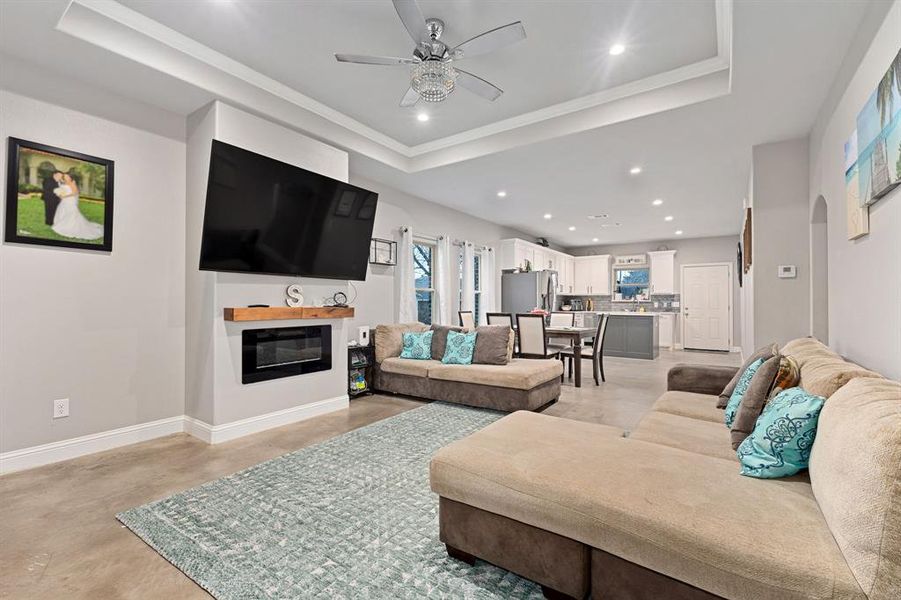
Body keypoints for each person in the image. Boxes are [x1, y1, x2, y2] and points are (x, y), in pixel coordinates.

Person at [51, 172, 103, 240]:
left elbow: (75, 192)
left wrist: (65, 196)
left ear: (70, 177)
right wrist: (59, 193)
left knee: (71, 213)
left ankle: (70, 226)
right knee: (63, 210)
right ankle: (62, 224)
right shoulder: (63, 182)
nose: (66, 178)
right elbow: (58, 182)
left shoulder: (72, 183)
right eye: (65, 177)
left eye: (68, 177)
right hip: (65, 200)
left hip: (70, 200)